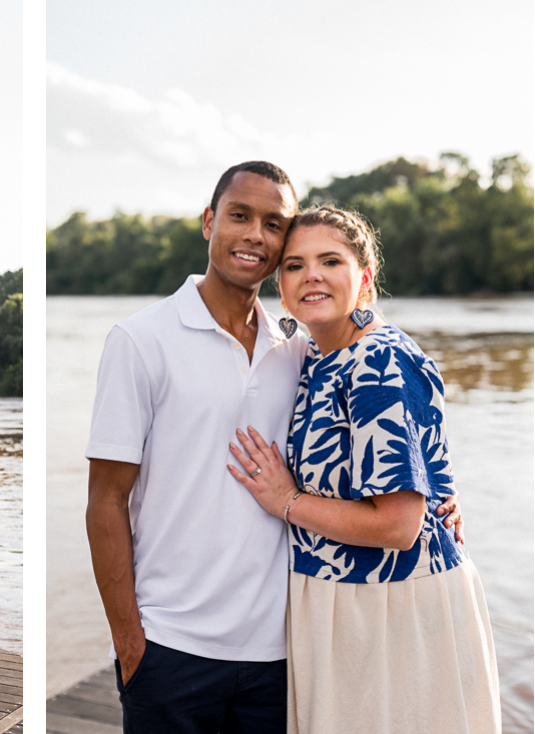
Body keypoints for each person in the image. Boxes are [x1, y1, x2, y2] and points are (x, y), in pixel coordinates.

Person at [84, 161, 463, 733]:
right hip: (171, 647)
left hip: (284, 651)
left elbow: (391, 429)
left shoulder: (299, 352)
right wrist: (129, 641)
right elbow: (104, 502)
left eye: (273, 223)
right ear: (209, 221)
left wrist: (441, 494)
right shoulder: (140, 340)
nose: (255, 234)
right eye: (240, 216)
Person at [227, 205, 499, 734]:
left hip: (391, 606)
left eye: (331, 260)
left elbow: (398, 526)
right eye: (294, 265)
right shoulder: (313, 355)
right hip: (337, 602)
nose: (311, 275)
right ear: (278, 284)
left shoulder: (379, 360)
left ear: (365, 278)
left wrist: (285, 501)